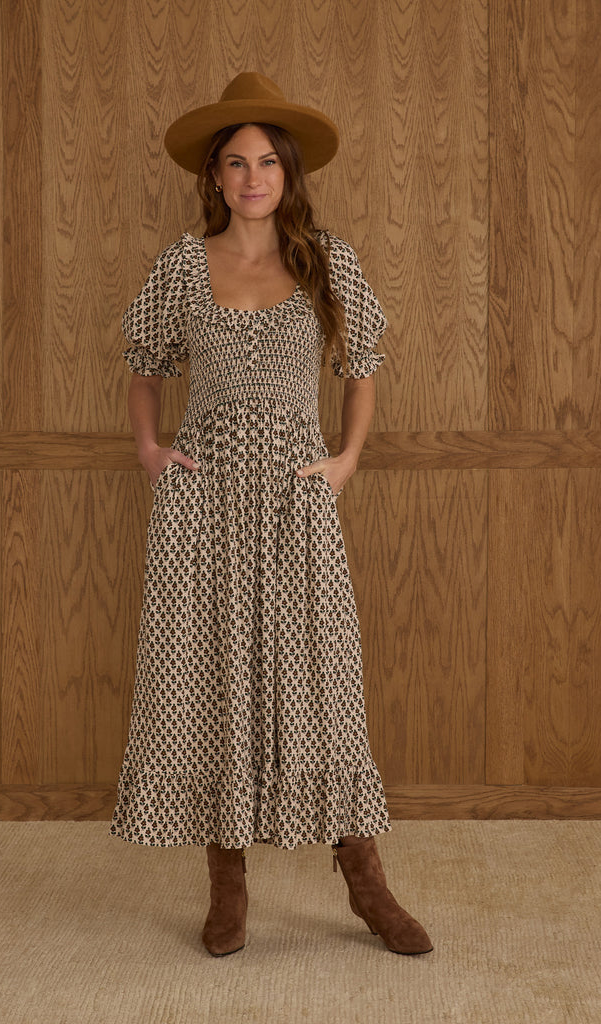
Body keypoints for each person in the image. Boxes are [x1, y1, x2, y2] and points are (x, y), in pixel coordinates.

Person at [110, 72, 432, 958]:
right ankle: (227, 888)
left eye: (266, 163)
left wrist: (346, 458)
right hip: (204, 501)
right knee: (208, 675)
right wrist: (149, 450)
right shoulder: (182, 265)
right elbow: (144, 367)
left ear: (288, 173)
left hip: (294, 499)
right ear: (213, 175)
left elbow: (360, 369)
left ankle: (365, 882)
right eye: (235, 162)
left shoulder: (327, 260)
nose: (252, 178)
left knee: (321, 680)